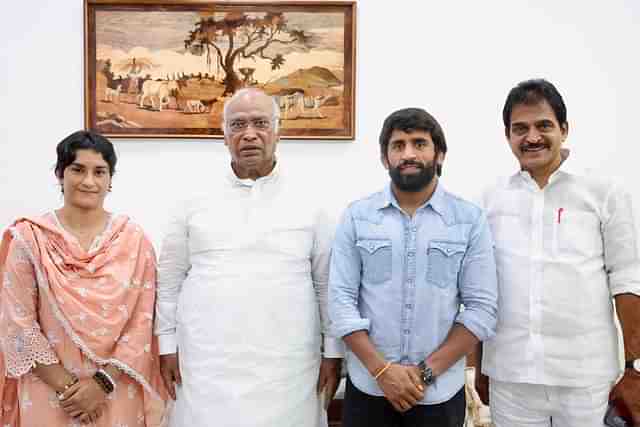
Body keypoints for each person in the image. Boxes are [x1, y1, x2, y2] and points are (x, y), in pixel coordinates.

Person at [154, 88, 343, 427]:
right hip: (206, 363)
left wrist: (333, 352)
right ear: (224, 136)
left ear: (278, 131)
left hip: (289, 365)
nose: (250, 134)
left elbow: (326, 283)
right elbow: (169, 279)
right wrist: (166, 344)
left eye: (260, 123)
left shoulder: (312, 201)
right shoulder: (191, 199)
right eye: (238, 124)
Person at [475, 79, 640, 427]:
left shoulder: (603, 192)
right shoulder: (490, 200)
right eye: (520, 128)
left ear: (564, 129)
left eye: (543, 125)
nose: (532, 137)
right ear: (507, 136)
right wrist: (480, 366)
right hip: (511, 373)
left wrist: (633, 367)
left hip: (585, 375)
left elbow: (626, 278)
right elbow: (478, 289)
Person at [329, 108, 498, 427]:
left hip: (439, 394)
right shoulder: (357, 217)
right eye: (398, 145)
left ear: (440, 155)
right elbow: (340, 304)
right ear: (384, 158)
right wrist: (382, 371)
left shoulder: (468, 220)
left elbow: (481, 309)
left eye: (419, 143)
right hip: (369, 389)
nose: (408, 153)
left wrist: (424, 373)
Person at [0, 130, 167, 426]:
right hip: (47, 389)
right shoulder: (30, 239)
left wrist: (101, 385)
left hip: (116, 389)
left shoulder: (133, 239)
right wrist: (70, 391)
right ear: (59, 174)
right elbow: (18, 323)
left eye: (99, 172)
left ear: (110, 180)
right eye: (78, 169)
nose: (89, 181)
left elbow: (142, 322)